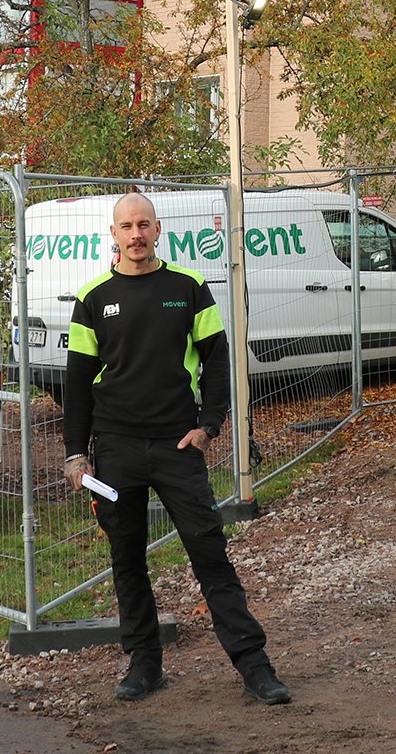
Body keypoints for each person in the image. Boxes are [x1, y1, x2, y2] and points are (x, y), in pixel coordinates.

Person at [62, 192, 292, 707]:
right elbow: (77, 385)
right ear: (114, 234)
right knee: (127, 560)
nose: (136, 234)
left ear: (158, 229)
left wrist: (209, 426)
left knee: (210, 554)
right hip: (116, 450)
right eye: (126, 226)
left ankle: (255, 666)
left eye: (144, 224)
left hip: (177, 445)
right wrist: (76, 454)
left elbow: (218, 363)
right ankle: (144, 666)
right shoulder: (93, 297)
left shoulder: (189, 288)